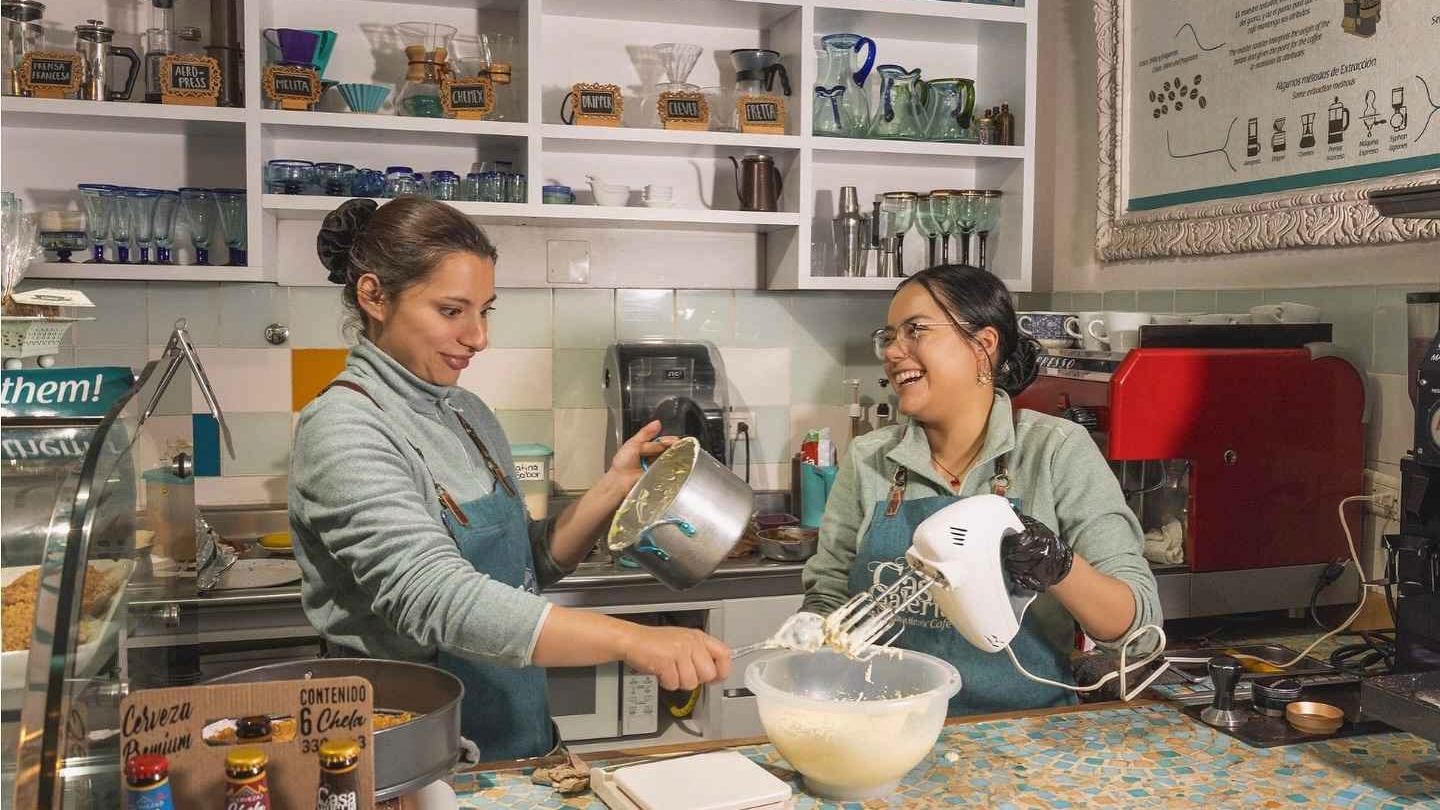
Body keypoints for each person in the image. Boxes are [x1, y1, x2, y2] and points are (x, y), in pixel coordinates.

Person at [289, 198, 731, 759]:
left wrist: (613, 489)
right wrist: (632, 639)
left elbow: (525, 566)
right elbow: (434, 596)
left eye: (485, 310)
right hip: (413, 757)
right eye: (452, 311)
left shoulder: (466, 412)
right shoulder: (343, 426)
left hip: (520, 736)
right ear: (374, 296)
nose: (478, 338)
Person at [801, 265, 1162, 714]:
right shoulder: (869, 458)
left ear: (983, 346)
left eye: (915, 331)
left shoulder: (1056, 451)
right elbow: (830, 594)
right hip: (885, 728)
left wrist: (1057, 565)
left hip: (1027, 732)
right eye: (889, 336)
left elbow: (1139, 629)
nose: (893, 351)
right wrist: (810, 630)